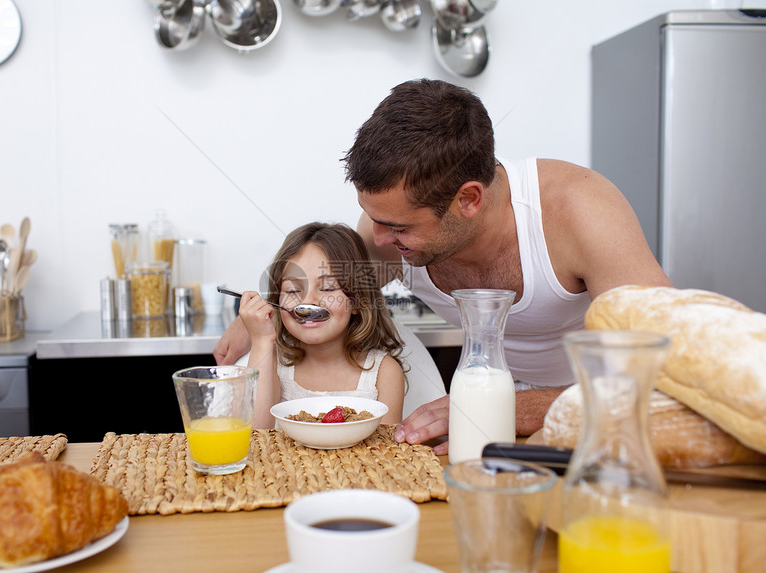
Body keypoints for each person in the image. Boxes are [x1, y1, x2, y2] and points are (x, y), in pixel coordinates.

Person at [215, 78, 671, 452]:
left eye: (398, 228)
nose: (378, 241)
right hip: (482, 416)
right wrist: (264, 310)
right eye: (374, 219)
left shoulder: (580, 212)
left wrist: (518, 408)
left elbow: (667, 375)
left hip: (600, 421)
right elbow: (323, 281)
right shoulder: (385, 230)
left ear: (468, 199)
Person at [236, 222, 406, 428]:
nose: (308, 300)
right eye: (292, 290)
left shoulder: (383, 372)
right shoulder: (272, 364)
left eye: (327, 288)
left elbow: (386, 452)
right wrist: (261, 340)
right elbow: (254, 438)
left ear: (356, 301)